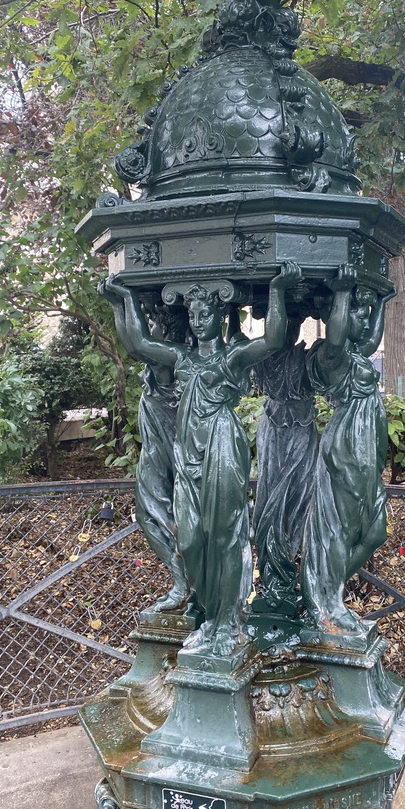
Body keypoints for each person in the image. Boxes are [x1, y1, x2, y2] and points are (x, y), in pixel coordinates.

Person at [101, 263, 302, 655]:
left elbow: (274, 337)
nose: (196, 320)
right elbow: (138, 344)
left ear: (218, 314)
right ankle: (212, 614)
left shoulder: (232, 357)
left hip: (222, 446)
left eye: (204, 313)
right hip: (188, 450)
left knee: (225, 535)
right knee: (191, 536)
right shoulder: (181, 359)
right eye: (191, 314)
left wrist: (277, 289)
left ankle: (226, 622)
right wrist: (122, 301)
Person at [301, 263, 395, 634]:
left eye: (363, 310)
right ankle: (329, 600)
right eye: (356, 310)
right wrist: (341, 293)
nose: (363, 315)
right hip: (347, 447)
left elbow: (369, 339)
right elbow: (340, 334)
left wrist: (383, 302)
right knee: (341, 529)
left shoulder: (356, 353)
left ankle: (327, 589)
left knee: (375, 532)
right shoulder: (331, 355)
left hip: (367, 448)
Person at [99, 286, 191, 612]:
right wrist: (121, 304)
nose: (150, 324)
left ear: (167, 329)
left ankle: (187, 584)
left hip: (175, 453)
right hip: (156, 452)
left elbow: (136, 343)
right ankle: (182, 581)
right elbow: (137, 345)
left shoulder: (171, 358)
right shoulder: (160, 359)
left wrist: (122, 301)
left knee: (173, 517)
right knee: (150, 514)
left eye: (155, 320)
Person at [251, 315, 318, 615]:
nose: (285, 328)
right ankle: (272, 577)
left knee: (299, 499)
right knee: (269, 504)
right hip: (273, 432)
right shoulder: (261, 358)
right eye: (279, 323)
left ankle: (289, 571)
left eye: (291, 322)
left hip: (302, 433)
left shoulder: (308, 359)